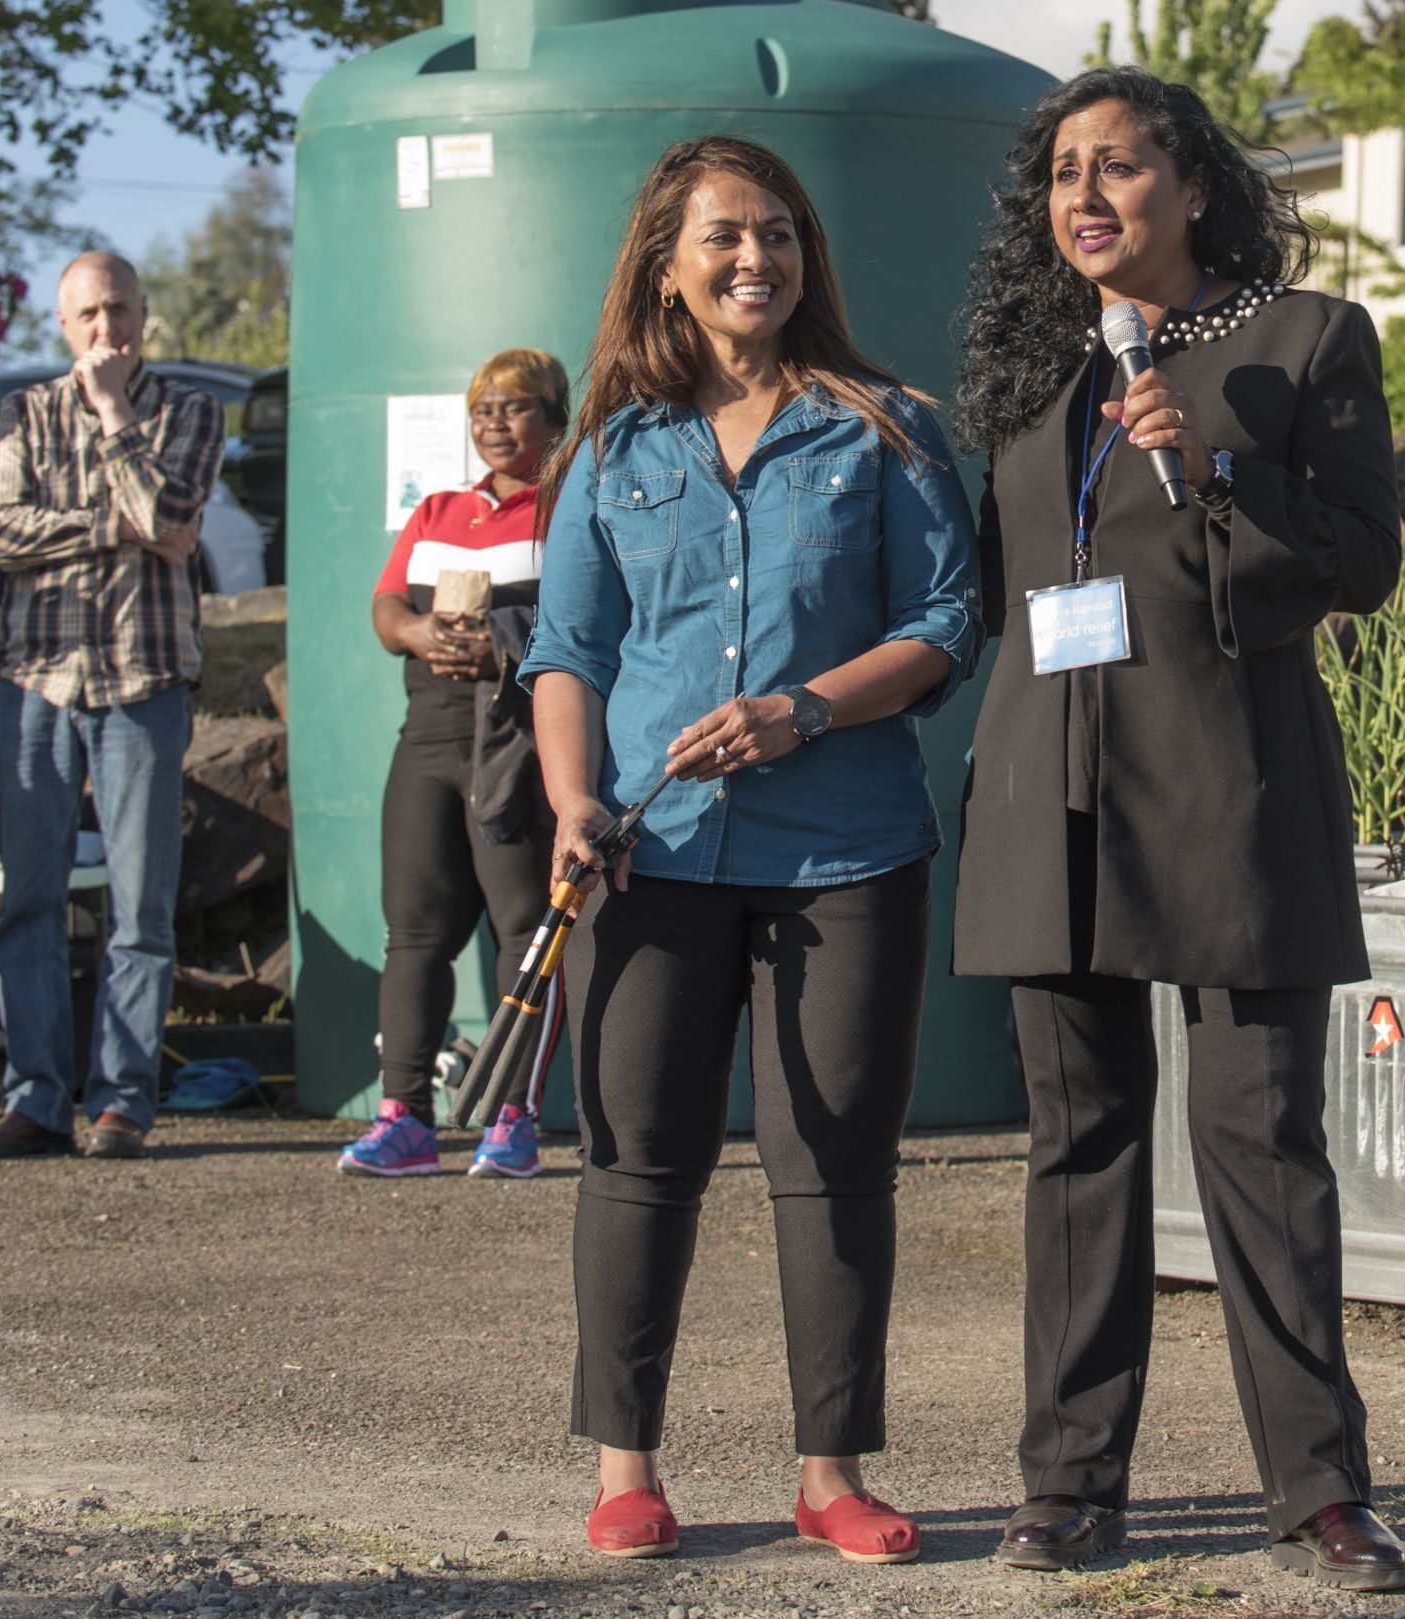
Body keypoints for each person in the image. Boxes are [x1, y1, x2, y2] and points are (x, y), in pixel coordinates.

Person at [952, 68, 1405, 1592]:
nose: (1086, 196)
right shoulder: (1034, 369)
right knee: (1075, 1147)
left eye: (1121, 167)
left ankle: (1321, 1491)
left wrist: (1214, 467)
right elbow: (986, 587)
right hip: (1054, 789)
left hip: (1231, 785)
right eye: (1064, 174)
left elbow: (1357, 564)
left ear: (1193, 184)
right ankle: (1070, 1485)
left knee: (1262, 1143)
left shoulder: (1304, 339)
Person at [522, 136, 982, 1563]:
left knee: (834, 1159)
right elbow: (566, 649)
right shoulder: (613, 448)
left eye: (779, 234)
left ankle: (831, 1469)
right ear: (668, 262)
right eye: (725, 236)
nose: (755, 260)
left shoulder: (887, 427)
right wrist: (572, 798)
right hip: (652, 856)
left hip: (846, 850)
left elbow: (946, 624)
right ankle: (626, 1466)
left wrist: (802, 709)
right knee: (636, 1156)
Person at [0, 251, 220, 1162]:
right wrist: (119, 523)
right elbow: (0, 534)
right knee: (27, 902)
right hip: (35, 681)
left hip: (143, 683)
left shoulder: (187, 409)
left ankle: (122, 1102)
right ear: (62, 325)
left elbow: (172, 517)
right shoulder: (22, 411)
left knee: (139, 909)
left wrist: (117, 417)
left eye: (118, 310)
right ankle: (35, 1099)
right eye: (87, 315)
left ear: (144, 314)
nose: (104, 331)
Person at [340, 347, 572, 1180]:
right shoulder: (439, 508)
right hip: (429, 734)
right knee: (414, 929)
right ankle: (404, 1118)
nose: (495, 422)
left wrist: (502, 647)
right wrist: (415, 632)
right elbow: (387, 603)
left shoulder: (567, 507)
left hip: (515, 734)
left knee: (523, 928)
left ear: (553, 418)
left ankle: (512, 1117)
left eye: (514, 407)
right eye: (482, 409)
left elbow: (590, 619)